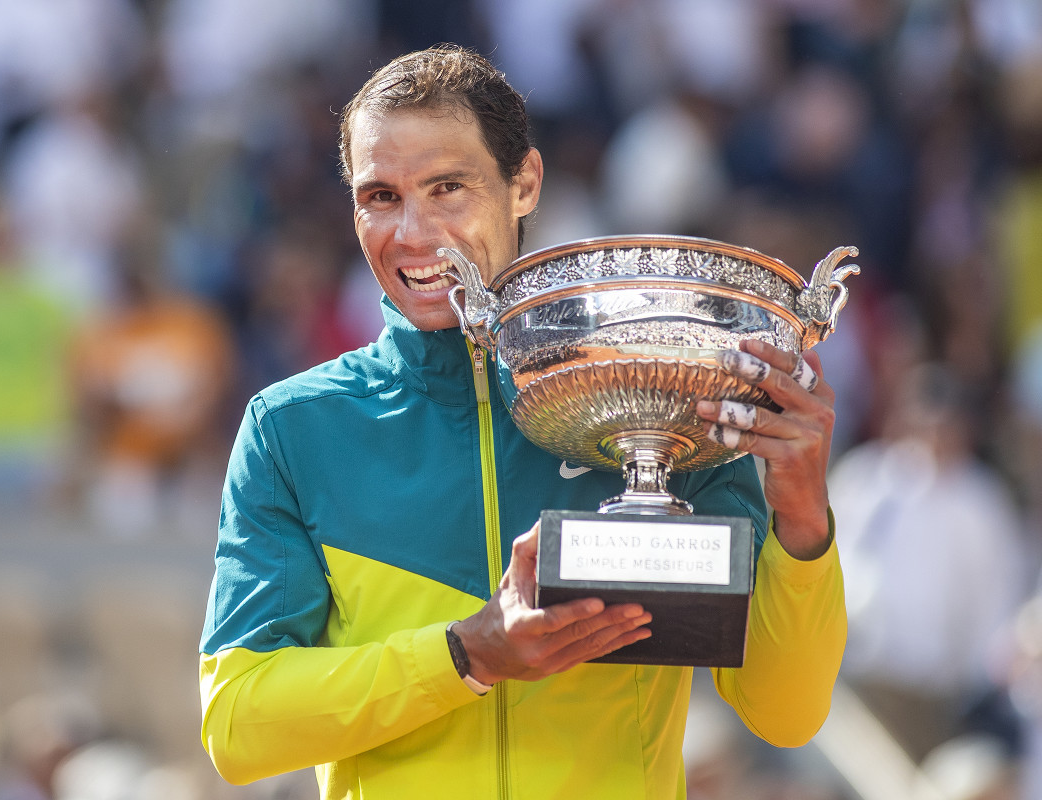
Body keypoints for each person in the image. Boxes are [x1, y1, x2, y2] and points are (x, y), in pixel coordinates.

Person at [199, 45, 846, 799]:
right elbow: (238, 725)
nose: (413, 231)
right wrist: (465, 657)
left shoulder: (664, 400)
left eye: (448, 187)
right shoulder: (295, 430)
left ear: (524, 184)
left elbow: (786, 714)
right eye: (380, 196)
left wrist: (802, 520)